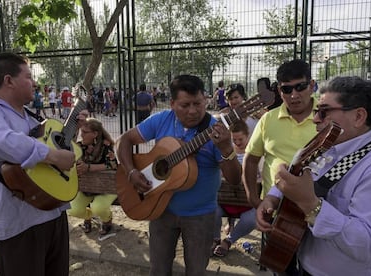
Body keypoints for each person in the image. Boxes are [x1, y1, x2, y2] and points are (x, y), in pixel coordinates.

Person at [258, 76, 371, 275]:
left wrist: (311, 205)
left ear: (359, 116)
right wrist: (272, 197)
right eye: (317, 111)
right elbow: (292, 178)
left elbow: (366, 246)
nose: (316, 118)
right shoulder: (321, 147)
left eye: (324, 111)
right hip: (297, 263)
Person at [116, 74, 242, 275]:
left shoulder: (216, 131)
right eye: (185, 105)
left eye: (198, 104)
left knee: (195, 271)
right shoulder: (161, 120)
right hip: (159, 209)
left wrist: (227, 149)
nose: (192, 111)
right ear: (173, 103)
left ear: (206, 100)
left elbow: (235, 179)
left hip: (200, 216)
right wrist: (131, 171)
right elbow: (125, 140)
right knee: (158, 269)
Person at [0, 52, 76, 275]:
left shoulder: (30, 117)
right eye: (29, 77)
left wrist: (69, 138)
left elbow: (50, 156)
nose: (35, 83)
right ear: (8, 81)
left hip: (53, 214)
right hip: (18, 228)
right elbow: (0, 141)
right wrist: (53, 156)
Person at [243, 59, 318, 275]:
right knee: (281, 269)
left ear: (311, 85)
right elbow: (250, 159)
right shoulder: (268, 120)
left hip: (316, 211)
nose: (294, 95)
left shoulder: (326, 118)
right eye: (286, 89)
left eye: (300, 87)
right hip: (275, 212)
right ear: (279, 90)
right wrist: (253, 199)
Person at [68, 118, 118, 241]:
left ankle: (107, 220)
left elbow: (112, 165)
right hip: (87, 187)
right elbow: (67, 145)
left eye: (85, 132)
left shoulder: (106, 145)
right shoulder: (80, 146)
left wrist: (88, 167)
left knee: (98, 207)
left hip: (106, 187)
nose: (81, 134)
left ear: (95, 134)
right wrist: (75, 127)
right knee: (73, 210)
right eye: (81, 131)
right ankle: (88, 216)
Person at [212, 120, 256, 257]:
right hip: (225, 198)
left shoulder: (255, 153)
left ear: (248, 136)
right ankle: (215, 239)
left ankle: (229, 240)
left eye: (240, 139)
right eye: (234, 139)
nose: (237, 142)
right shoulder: (225, 152)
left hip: (246, 202)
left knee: (251, 220)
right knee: (211, 210)